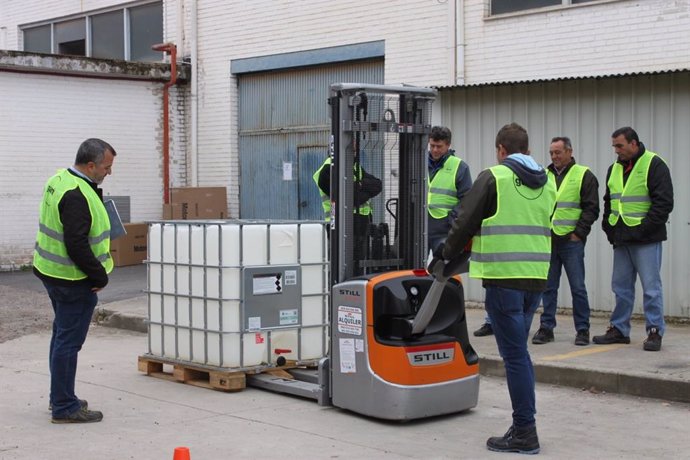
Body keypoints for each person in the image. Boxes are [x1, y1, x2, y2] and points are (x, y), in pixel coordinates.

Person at [442, 122, 555, 454]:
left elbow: (466, 220)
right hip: (535, 276)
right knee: (521, 353)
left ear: (502, 150)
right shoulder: (547, 182)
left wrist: (445, 252)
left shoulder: (494, 176)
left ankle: (525, 431)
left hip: (504, 278)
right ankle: (524, 425)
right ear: (528, 150)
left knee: (516, 356)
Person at [33, 138, 116, 423]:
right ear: (90, 165)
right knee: (68, 342)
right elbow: (76, 244)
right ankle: (65, 406)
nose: (109, 172)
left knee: (61, 337)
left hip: (51, 273)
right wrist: (98, 276)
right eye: (106, 167)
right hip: (73, 280)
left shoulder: (60, 178)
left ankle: (60, 396)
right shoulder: (78, 195)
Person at [593, 127, 673, 351]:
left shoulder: (654, 164)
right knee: (621, 287)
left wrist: (644, 229)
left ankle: (655, 331)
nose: (616, 151)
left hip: (645, 239)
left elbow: (664, 203)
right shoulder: (614, 169)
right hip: (622, 239)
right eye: (614, 146)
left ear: (634, 144)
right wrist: (609, 227)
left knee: (651, 288)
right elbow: (610, 201)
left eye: (620, 146)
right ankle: (619, 329)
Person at [532, 137, 599, 346]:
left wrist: (578, 233)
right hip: (549, 241)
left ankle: (582, 329)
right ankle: (546, 328)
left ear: (569, 152)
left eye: (558, 152)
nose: (554, 156)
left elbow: (591, 208)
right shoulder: (543, 175)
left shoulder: (583, 175)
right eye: (551, 153)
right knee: (548, 287)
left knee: (577, 287)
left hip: (572, 241)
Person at [313, 155, 382, 270]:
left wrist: (360, 185)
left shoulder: (353, 166)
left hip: (360, 222)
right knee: (343, 264)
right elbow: (349, 197)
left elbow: (378, 185)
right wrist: (365, 192)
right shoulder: (328, 169)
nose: (354, 144)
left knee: (358, 263)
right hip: (342, 222)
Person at [427, 126, 472, 252]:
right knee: (416, 269)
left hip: (444, 229)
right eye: (432, 146)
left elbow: (467, 199)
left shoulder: (459, 167)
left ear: (448, 145)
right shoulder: (419, 163)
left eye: (439, 146)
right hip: (421, 227)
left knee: (443, 268)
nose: (435, 150)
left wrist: (452, 219)